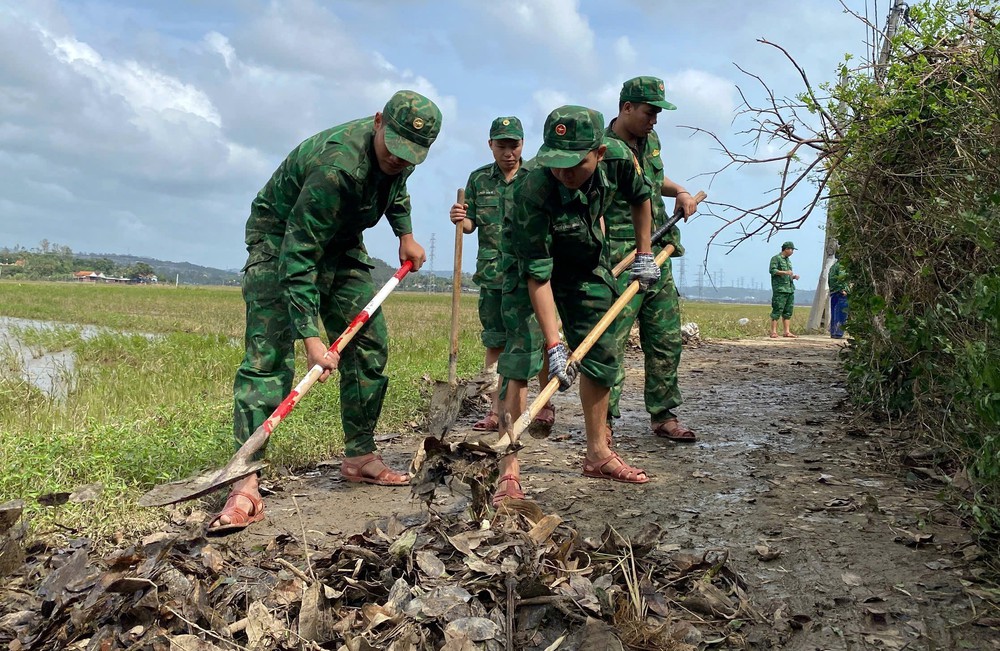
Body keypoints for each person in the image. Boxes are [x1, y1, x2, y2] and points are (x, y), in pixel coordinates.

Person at [207, 90, 442, 535]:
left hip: (341, 240)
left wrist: (405, 235)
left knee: (369, 343)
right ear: (378, 122)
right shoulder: (334, 169)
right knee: (269, 357)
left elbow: (396, 186)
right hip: (281, 241)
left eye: (410, 154)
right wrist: (313, 340)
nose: (398, 159)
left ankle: (360, 456)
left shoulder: (401, 156)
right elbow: (297, 257)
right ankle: (244, 481)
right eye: (392, 148)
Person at [494, 105, 659, 504]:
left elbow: (641, 199)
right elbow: (538, 276)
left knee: (602, 352)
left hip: (584, 260)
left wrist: (644, 252)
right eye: (557, 163)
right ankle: (508, 471)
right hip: (529, 269)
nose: (564, 173)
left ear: (599, 153)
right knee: (519, 360)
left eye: (575, 164)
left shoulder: (620, 159)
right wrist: (554, 344)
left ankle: (598, 453)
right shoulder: (530, 188)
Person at [605, 76, 698, 443]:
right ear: (626, 108)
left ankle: (663, 415)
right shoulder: (603, 148)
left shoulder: (650, 141)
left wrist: (681, 191)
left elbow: (653, 180)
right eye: (649, 112)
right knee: (610, 341)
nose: (654, 120)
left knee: (665, 338)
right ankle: (604, 423)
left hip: (660, 252)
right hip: (621, 257)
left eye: (658, 113)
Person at [448, 117, 555, 434]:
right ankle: (495, 409)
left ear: (523, 144)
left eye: (514, 145)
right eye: (502, 146)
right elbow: (471, 226)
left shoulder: (537, 176)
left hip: (529, 275)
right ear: (490, 145)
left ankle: (543, 404)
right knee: (495, 340)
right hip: (493, 274)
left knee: (535, 341)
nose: (508, 153)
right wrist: (460, 219)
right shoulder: (479, 180)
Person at [769, 241, 800, 338]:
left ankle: (787, 331)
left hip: (789, 289)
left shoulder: (788, 261)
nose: (792, 252)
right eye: (791, 250)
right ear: (786, 249)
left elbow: (788, 274)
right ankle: (773, 331)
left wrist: (793, 276)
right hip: (780, 289)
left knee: (788, 311)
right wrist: (785, 272)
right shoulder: (776, 258)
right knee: (777, 309)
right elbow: (772, 270)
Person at [828, 255, 848, 338]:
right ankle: (838, 333)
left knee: (834, 313)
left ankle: (834, 332)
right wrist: (843, 289)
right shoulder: (841, 266)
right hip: (840, 292)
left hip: (834, 292)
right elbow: (841, 278)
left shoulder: (833, 266)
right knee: (841, 313)